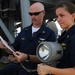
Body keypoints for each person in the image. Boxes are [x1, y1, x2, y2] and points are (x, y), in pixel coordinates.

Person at [0, 2, 56, 75]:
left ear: (43, 13)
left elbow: (48, 58)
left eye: (36, 14)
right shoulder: (24, 31)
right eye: (31, 14)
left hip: (39, 72)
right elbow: (13, 49)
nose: (33, 17)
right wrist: (5, 47)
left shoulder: (50, 33)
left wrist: (27, 57)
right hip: (23, 71)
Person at [37, 1, 75, 75]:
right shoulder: (65, 35)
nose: (58, 19)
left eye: (62, 15)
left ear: (73, 16)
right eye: (57, 16)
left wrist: (50, 70)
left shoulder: (73, 37)